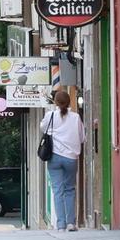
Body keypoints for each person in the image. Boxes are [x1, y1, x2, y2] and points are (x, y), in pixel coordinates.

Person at [41, 90, 85, 231]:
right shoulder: (76, 117)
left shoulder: (50, 115)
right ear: (69, 102)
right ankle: (71, 223)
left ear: (55, 102)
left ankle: (61, 224)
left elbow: (43, 128)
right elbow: (82, 138)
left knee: (57, 190)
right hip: (71, 158)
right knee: (69, 189)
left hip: (54, 157)